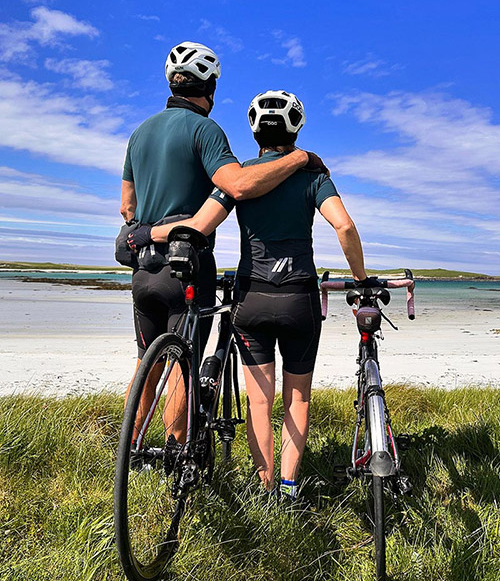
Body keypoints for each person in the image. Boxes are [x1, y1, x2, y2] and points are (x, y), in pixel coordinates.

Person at [129, 89, 377, 502]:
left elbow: (198, 226)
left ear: (255, 129)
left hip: (251, 299)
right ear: (296, 128)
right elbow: (345, 228)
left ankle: (262, 486)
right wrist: (361, 277)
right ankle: (289, 488)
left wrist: (146, 235)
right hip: (299, 299)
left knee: (259, 402)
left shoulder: (242, 175)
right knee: (297, 398)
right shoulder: (314, 177)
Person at [121, 44, 326, 447]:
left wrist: (146, 231)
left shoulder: (139, 133)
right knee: (185, 363)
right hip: (188, 263)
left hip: (144, 266)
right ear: (210, 87)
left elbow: (127, 206)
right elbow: (238, 185)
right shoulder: (204, 130)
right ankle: (176, 454)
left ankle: (132, 451)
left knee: (148, 362)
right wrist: (300, 160)